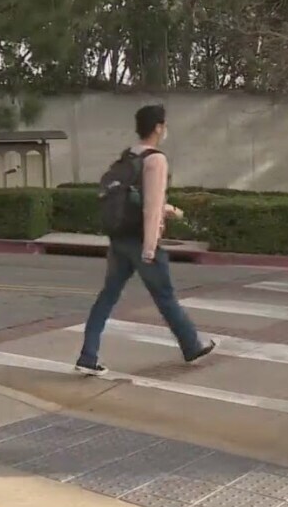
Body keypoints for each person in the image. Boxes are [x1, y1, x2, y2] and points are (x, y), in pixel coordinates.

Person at [76, 104, 216, 374]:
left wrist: (168, 208)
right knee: (165, 296)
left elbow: (135, 198)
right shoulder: (156, 160)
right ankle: (192, 345)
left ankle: (87, 356)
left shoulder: (129, 156)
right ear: (158, 128)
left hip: (119, 239)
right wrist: (150, 249)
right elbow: (150, 208)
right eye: (164, 125)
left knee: (107, 297)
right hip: (142, 240)